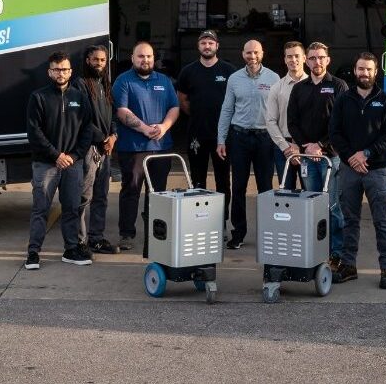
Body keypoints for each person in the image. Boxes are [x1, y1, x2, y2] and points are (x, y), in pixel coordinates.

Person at [329, 52, 386, 289]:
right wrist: (352, 156)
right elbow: (334, 133)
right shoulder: (343, 99)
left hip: (376, 171)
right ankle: (348, 266)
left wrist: (366, 154)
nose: (364, 73)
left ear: (375, 72)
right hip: (350, 170)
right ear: (355, 70)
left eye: (369, 69)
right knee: (350, 220)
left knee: (382, 221)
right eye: (361, 69)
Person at [24, 51, 96, 270]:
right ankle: (33, 253)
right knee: (41, 209)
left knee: (72, 208)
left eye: (64, 69)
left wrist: (72, 157)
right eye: (56, 69)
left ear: (70, 71)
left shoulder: (80, 97)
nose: (61, 73)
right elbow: (34, 132)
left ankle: (71, 249)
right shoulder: (38, 97)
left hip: (72, 164)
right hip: (46, 163)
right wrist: (56, 155)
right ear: (49, 72)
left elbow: (87, 131)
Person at [112, 41, 180, 251]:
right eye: (140, 56)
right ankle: (127, 234)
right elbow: (121, 111)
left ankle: (155, 232)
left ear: (154, 58)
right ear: (132, 58)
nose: (145, 60)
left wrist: (164, 126)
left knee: (158, 193)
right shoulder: (123, 81)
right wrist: (143, 129)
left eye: (149, 56)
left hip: (161, 147)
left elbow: (174, 107)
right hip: (134, 148)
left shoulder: (164, 81)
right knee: (131, 190)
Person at [287, 41, 349, 269]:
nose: (316, 62)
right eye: (312, 58)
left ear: (328, 59)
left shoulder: (339, 86)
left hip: (329, 158)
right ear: (307, 60)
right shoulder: (299, 88)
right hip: (307, 159)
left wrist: (320, 145)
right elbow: (291, 123)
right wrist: (306, 146)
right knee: (311, 206)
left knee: (332, 206)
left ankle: (335, 253)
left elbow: (342, 123)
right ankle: (314, 252)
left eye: (321, 57)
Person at [215, 39, 280, 249]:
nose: (252, 56)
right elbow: (226, 110)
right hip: (239, 137)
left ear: (263, 54)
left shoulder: (274, 78)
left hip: (265, 139)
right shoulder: (234, 79)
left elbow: (279, 112)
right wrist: (221, 139)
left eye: (256, 53)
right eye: (249, 53)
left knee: (265, 188)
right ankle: (238, 232)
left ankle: (267, 233)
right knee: (239, 186)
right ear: (243, 54)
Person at [175, 31, 235, 208]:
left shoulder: (229, 71)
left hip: (222, 137)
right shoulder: (188, 71)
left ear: (217, 46)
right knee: (197, 180)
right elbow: (182, 100)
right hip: (197, 135)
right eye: (203, 43)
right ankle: (198, 220)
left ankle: (221, 222)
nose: (207, 46)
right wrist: (198, 114)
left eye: (210, 42)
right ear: (198, 46)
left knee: (223, 181)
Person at [76, 44, 119, 255]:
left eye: (103, 60)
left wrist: (113, 135)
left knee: (101, 196)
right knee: (84, 196)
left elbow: (112, 116)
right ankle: (79, 242)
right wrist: (103, 139)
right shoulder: (81, 85)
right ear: (88, 61)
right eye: (96, 60)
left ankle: (97, 239)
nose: (100, 63)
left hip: (105, 149)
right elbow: (82, 119)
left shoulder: (106, 85)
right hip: (89, 149)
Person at [263, 40, 307, 189]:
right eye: (289, 56)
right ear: (284, 59)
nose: (293, 60)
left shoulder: (314, 87)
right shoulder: (276, 88)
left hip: (307, 149)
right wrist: (285, 147)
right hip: (283, 148)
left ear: (304, 58)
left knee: (310, 193)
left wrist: (302, 147)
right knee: (286, 195)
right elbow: (270, 121)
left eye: (296, 56)